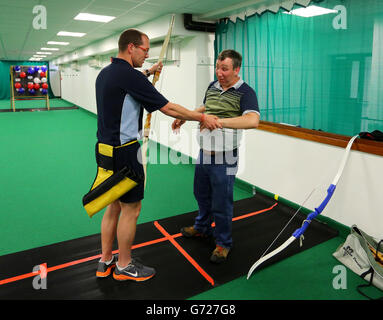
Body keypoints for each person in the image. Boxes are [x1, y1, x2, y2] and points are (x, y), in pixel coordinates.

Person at [95, 29, 221, 282]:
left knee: (113, 206)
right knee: (131, 209)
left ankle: (105, 260)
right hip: (125, 152)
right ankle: (124, 265)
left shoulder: (106, 73)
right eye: (144, 50)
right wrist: (202, 116)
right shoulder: (130, 76)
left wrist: (148, 72)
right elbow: (169, 107)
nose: (147, 55)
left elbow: (130, 81)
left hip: (104, 150)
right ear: (131, 47)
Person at [172, 49, 260, 263]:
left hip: (225, 157)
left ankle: (223, 243)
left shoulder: (246, 92)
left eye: (225, 69)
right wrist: (189, 116)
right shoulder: (213, 86)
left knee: (221, 202)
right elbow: (206, 107)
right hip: (204, 154)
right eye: (218, 68)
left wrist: (219, 121)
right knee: (201, 194)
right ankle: (202, 227)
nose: (219, 73)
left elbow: (252, 121)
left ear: (237, 69)